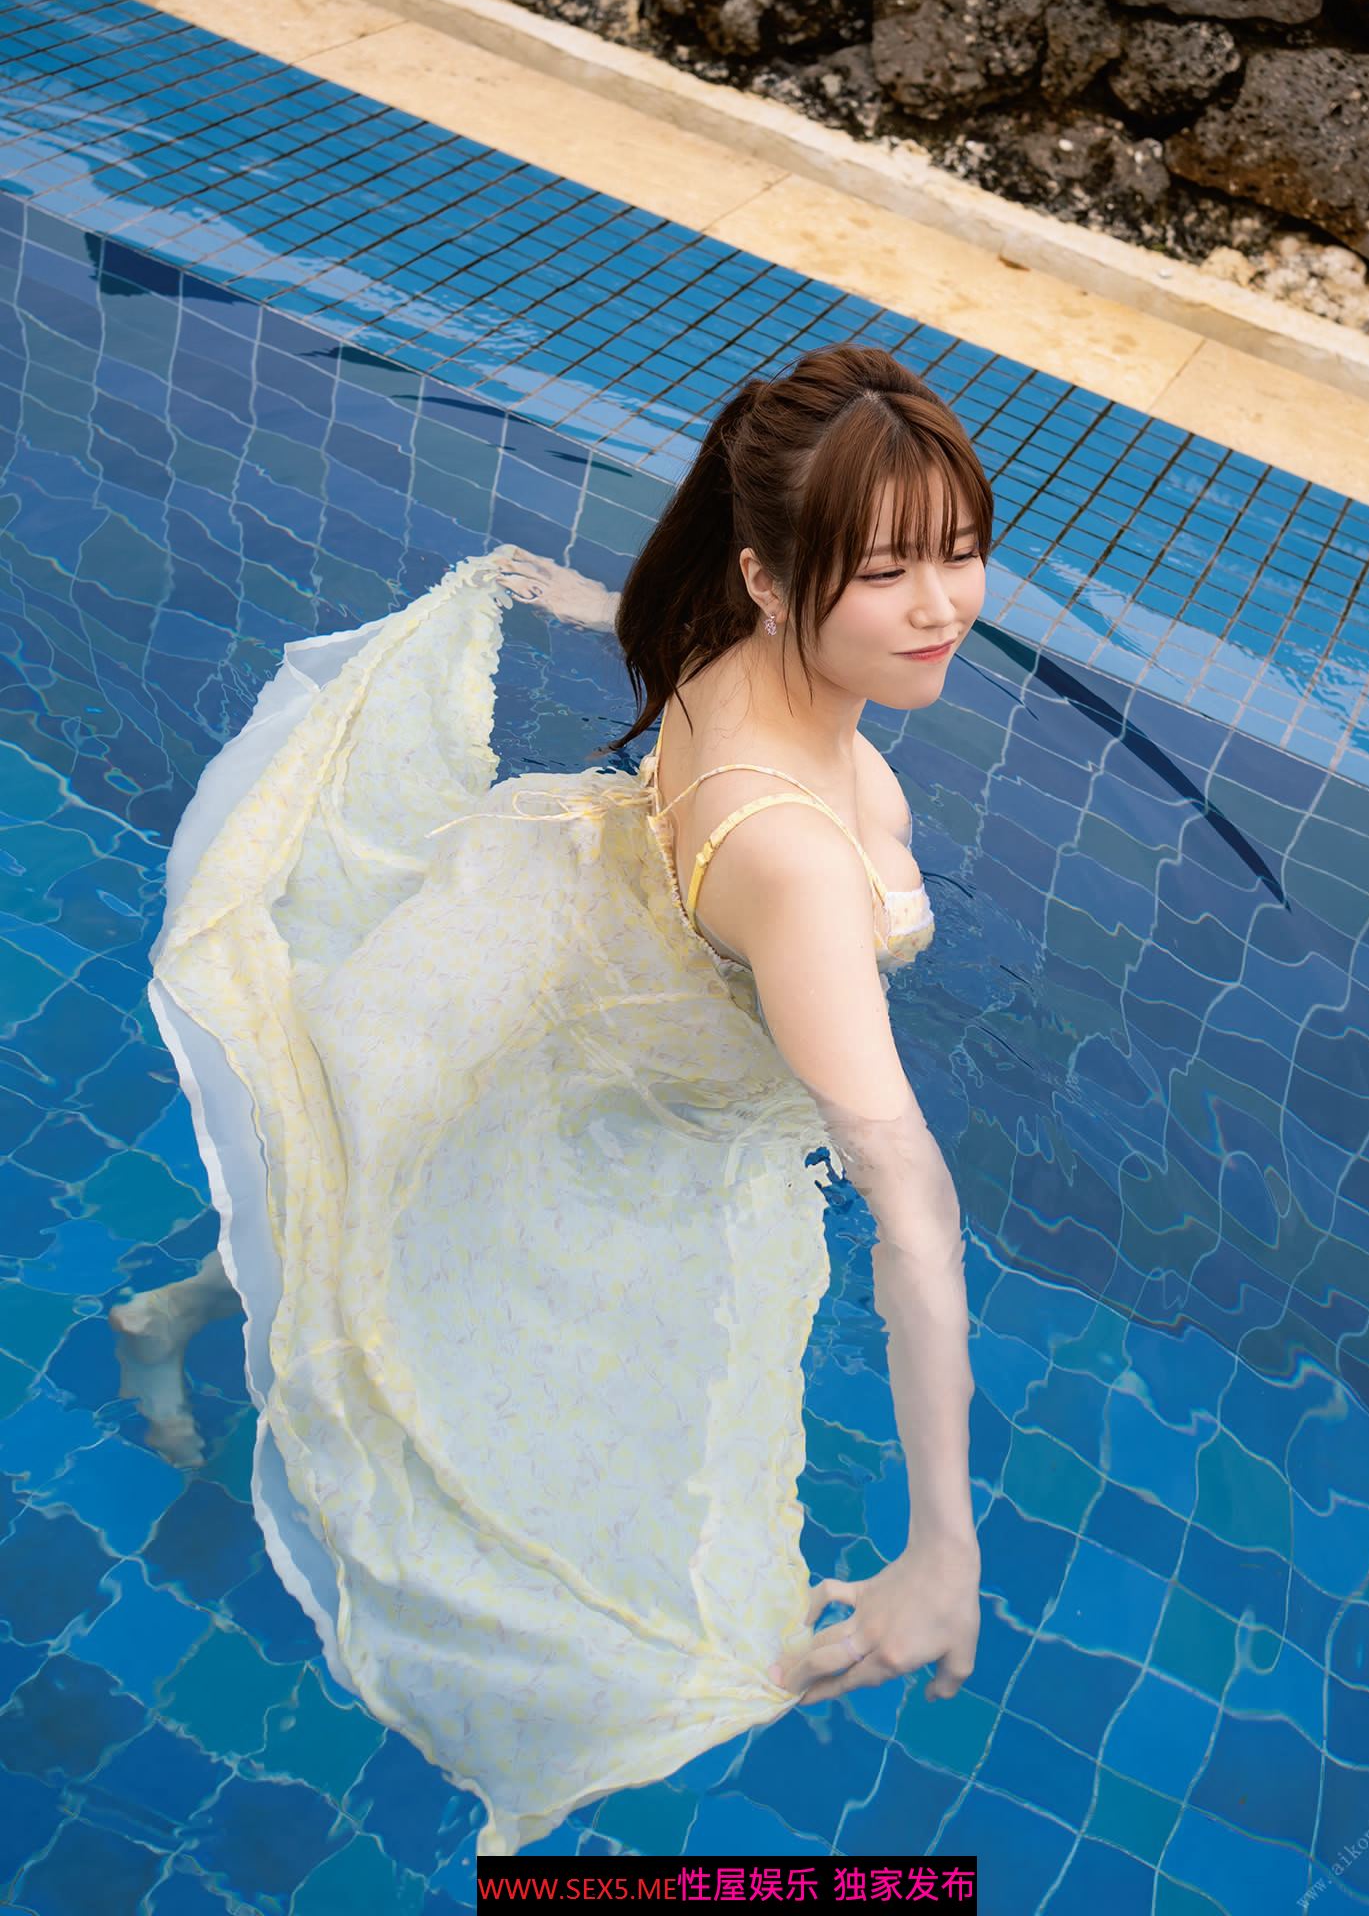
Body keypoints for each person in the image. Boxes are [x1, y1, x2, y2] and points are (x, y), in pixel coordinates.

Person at [114, 341, 992, 1856]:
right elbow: (909, 1201)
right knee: (617, 1616)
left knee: (372, 1200)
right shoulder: (794, 858)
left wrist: (579, 599)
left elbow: (664, 616)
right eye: (886, 571)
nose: (942, 608)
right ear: (774, 579)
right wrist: (942, 1548)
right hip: (642, 1072)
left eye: (961, 552)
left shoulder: (720, 642)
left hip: (571, 959)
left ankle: (172, 1312)